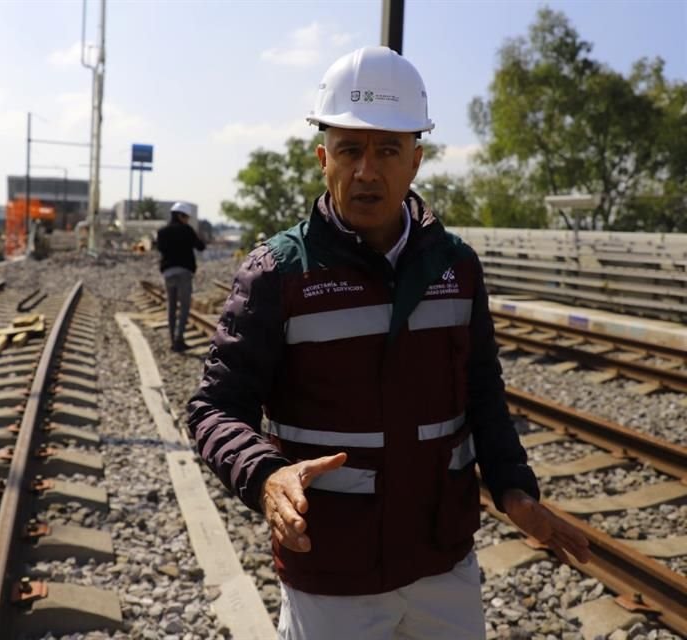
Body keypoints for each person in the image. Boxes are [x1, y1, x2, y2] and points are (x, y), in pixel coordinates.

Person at [187, 46, 590, 639]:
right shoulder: (278, 272)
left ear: (416, 161)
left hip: (442, 563)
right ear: (323, 159)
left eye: (387, 150)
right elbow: (214, 407)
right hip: (332, 573)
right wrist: (265, 474)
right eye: (350, 150)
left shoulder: (457, 267)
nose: (366, 170)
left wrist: (514, 490)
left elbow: (482, 394)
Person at [156, 201, 205, 352]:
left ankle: (172, 340)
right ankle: (179, 339)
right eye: (186, 216)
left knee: (171, 307)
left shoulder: (162, 232)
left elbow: (159, 248)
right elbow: (201, 247)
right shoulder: (187, 230)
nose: (187, 219)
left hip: (168, 273)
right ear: (180, 216)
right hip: (184, 273)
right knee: (184, 307)